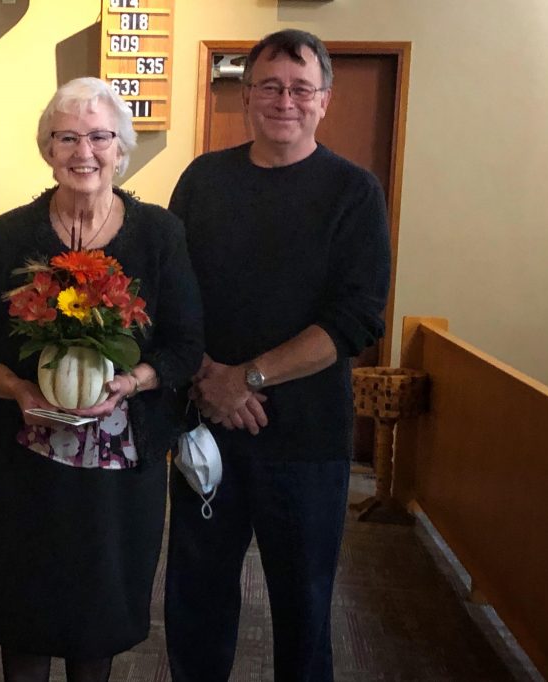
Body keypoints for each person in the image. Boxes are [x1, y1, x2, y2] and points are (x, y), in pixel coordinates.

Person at [0, 77, 203, 682]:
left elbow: (186, 345)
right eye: (66, 138)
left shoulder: (160, 234)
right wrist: (17, 390)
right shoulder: (11, 233)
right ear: (47, 149)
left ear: (120, 148)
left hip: (119, 467)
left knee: (98, 616)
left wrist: (133, 382)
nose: (83, 151)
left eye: (99, 137)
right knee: (23, 611)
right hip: (23, 465)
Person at [165, 29, 392, 681]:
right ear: (246, 96)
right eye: (269, 86)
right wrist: (208, 379)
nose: (284, 101)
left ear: (324, 100)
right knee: (196, 602)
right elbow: (171, 293)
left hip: (308, 443)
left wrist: (247, 378)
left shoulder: (354, 192)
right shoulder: (203, 180)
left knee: (304, 608)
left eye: (300, 89)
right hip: (207, 428)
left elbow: (355, 319)